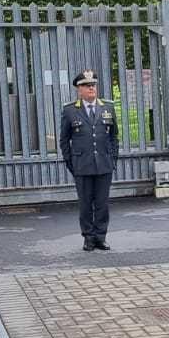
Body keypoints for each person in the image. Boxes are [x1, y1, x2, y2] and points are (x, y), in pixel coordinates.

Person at [59, 70, 119, 251]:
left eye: (93, 84)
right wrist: (72, 163)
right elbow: (64, 140)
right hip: (82, 165)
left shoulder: (107, 107)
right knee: (85, 204)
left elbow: (114, 137)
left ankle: (101, 236)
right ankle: (88, 238)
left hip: (104, 164)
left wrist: (112, 159)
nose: (91, 88)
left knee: (102, 203)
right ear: (79, 89)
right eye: (86, 85)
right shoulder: (70, 110)